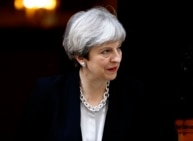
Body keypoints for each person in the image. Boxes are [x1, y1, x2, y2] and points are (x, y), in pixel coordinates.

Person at [14, 6, 147, 141]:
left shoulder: (135, 94)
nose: (117, 58)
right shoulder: (48, 92)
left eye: (118, 48)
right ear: (81, 58)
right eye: (106, 51)